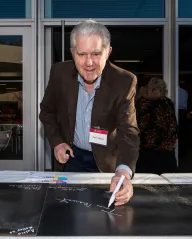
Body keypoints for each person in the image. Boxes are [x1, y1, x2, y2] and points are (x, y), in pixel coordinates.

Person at [39, 20, 139, 206]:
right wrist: (57, 142)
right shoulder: (59, 73)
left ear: (108, 52)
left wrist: (124, 173)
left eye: (96, 53)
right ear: (72, 52)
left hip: (108, 163)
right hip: (71, 158)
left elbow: (129, 132)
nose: (89, 63)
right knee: (68, 215)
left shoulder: (123, 81)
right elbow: (47, 111)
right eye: (82, 54)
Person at [136, 78, 178, 175]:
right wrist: (172, 140)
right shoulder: (166, 102)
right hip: (164, 148)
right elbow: (172, 124)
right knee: (167, 179)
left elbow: (138, 124)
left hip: (145, 147)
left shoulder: (141, 102)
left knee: (145, 179)